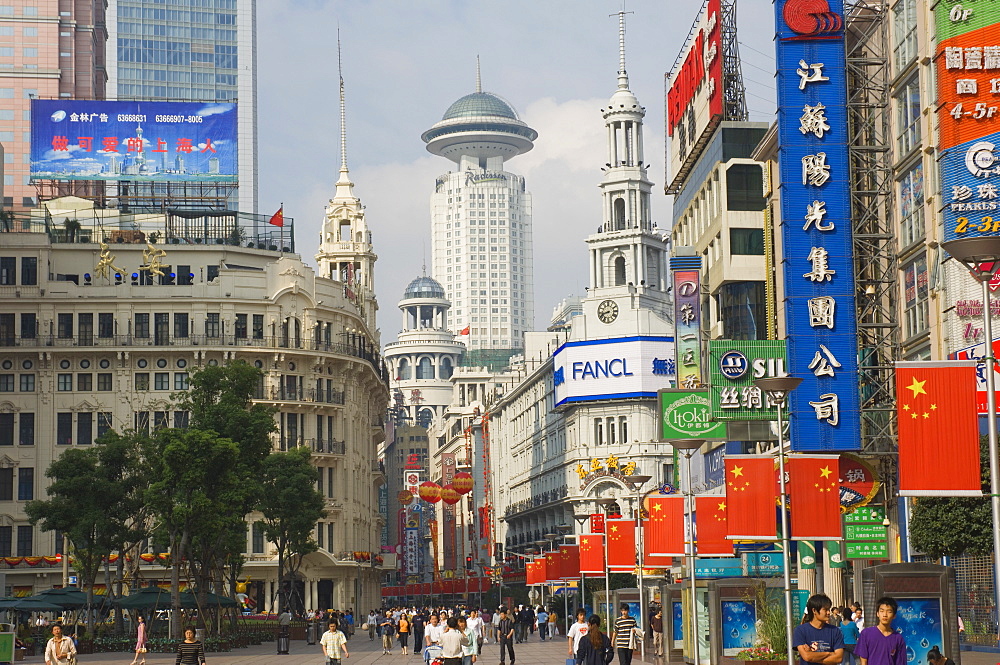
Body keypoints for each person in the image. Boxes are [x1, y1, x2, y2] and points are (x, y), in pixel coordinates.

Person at [792, 593, 845, 664]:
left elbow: (838, 658)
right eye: (825, 610)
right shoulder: (800, 630)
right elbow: (806, 656)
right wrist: (828, 654)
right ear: (814, 611)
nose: (828, 613)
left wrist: (812, 655)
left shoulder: (835, 631)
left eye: (829, 609)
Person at [856, 597, 906, 665]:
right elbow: (863, 661)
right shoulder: (866, 634)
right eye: (882, 611)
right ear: (877, 614)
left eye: (889, 612)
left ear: (894, 616)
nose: (885, 615)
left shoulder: (898, 638)